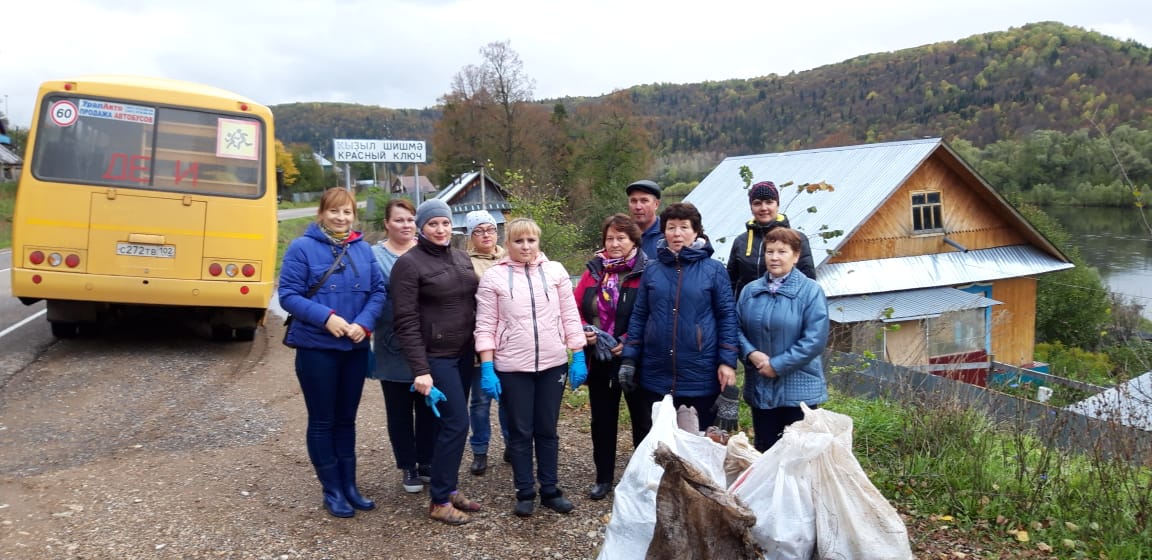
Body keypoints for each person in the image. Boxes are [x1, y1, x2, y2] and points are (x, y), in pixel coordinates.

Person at [278, 187, 387, 518]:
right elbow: (288, 295)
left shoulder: (363, 249)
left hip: (353, 347)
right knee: (323, 420)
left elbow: (378, 292)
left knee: (346, 420)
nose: (341, 218)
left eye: (347, 212)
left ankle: (350, 485)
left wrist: (364, 323)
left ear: (354, 215)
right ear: (321, 213)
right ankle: (332, 490)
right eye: (334, 211)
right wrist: (327, 318)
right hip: (316, 348)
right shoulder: (301, 248)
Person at [474, 217, 588, 517]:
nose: (525, 246)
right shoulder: (494, 278)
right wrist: (487, 365)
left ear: (538, 242)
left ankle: (550, 490)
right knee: (520, 431)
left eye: (531, 240)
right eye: (518, 241)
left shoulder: (556, 271)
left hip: (552, 364)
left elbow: (570, 315)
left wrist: (578, 353)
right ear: (508, 244)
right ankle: (525, 491)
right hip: (512, 367)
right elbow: (485, 324)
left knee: (547, 429)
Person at [391, 198, 483, 525]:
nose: (441, 229)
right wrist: (420, 369)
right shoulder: (409, 264)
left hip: (464, 353)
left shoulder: (460, 257)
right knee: (457, 423)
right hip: (436, 357)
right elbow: (405, 321)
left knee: (450, 425)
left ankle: (449, 487)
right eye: (433, 224)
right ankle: (439, 502)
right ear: (421, 227)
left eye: (445, 222)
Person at [619, 202, 739, 442]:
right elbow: (640, 315)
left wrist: (727, 361)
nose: (677, 233)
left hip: (699, 372)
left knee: (697, 442)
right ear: (664, 231)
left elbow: (727, 316)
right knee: (658, 444)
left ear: (696, 232)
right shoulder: (652, 270)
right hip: (656, 371)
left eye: (684, 227)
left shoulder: (714, 270)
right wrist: (629, 358)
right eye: (671, 227)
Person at [573, 213, 650, 501]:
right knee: (602, 420)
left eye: (621, 238)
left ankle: (642, 479)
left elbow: (652, 313)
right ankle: (603, 477)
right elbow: (575, 307)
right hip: (600, 357)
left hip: (634, 358)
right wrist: (585, 330)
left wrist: (629, 341)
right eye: (609, 238)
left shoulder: (646, 271)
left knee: (642, 420)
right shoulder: (594, 271)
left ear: (634, 241)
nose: (615, 244)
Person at [736, 227, 830, 452]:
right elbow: (735, 330)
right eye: (769, 252)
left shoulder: (810, 291)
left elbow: (814, 340)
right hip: (760, 388)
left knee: (798, 456)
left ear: (796, 256)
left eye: (782, 252)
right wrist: (751, 354)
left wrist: (777, 365)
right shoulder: (750, 291)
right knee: (765, 454)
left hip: (799, 392)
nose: (774, 257)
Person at [368, 198, 434, 494]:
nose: (406, 225)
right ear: (387, 224)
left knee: (428, 406)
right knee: (399, 410)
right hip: (391, 343)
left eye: (410, 219)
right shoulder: (374, 257)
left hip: (427, 342)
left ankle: (427, 460)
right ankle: (408, 464)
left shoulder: (427, 250)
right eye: (399, 220)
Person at [464, 209, 510, 476]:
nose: (486, 235)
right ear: (470, 236)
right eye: (479, 231)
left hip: (509, 340)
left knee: (508, 398)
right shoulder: (464, 263)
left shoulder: (510, 257)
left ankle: (511, 444)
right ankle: (480, 450)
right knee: (480, 400)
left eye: (490, 229)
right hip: (480, 340)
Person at [728, 180, 817, 298]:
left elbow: (809, 282)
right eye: (757, 203)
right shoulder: (741, 242)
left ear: (777, 205)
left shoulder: (797, 239)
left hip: (787, 307)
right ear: (751, 208)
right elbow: (730, 283)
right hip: (749, 306)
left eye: (769, 202)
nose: (763, 208)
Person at [625, 179, 664, 259]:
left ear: (656, 204)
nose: (638, 207)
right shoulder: (621, 233)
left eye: (644, 201)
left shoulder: (667, 234)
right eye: (633, 201)